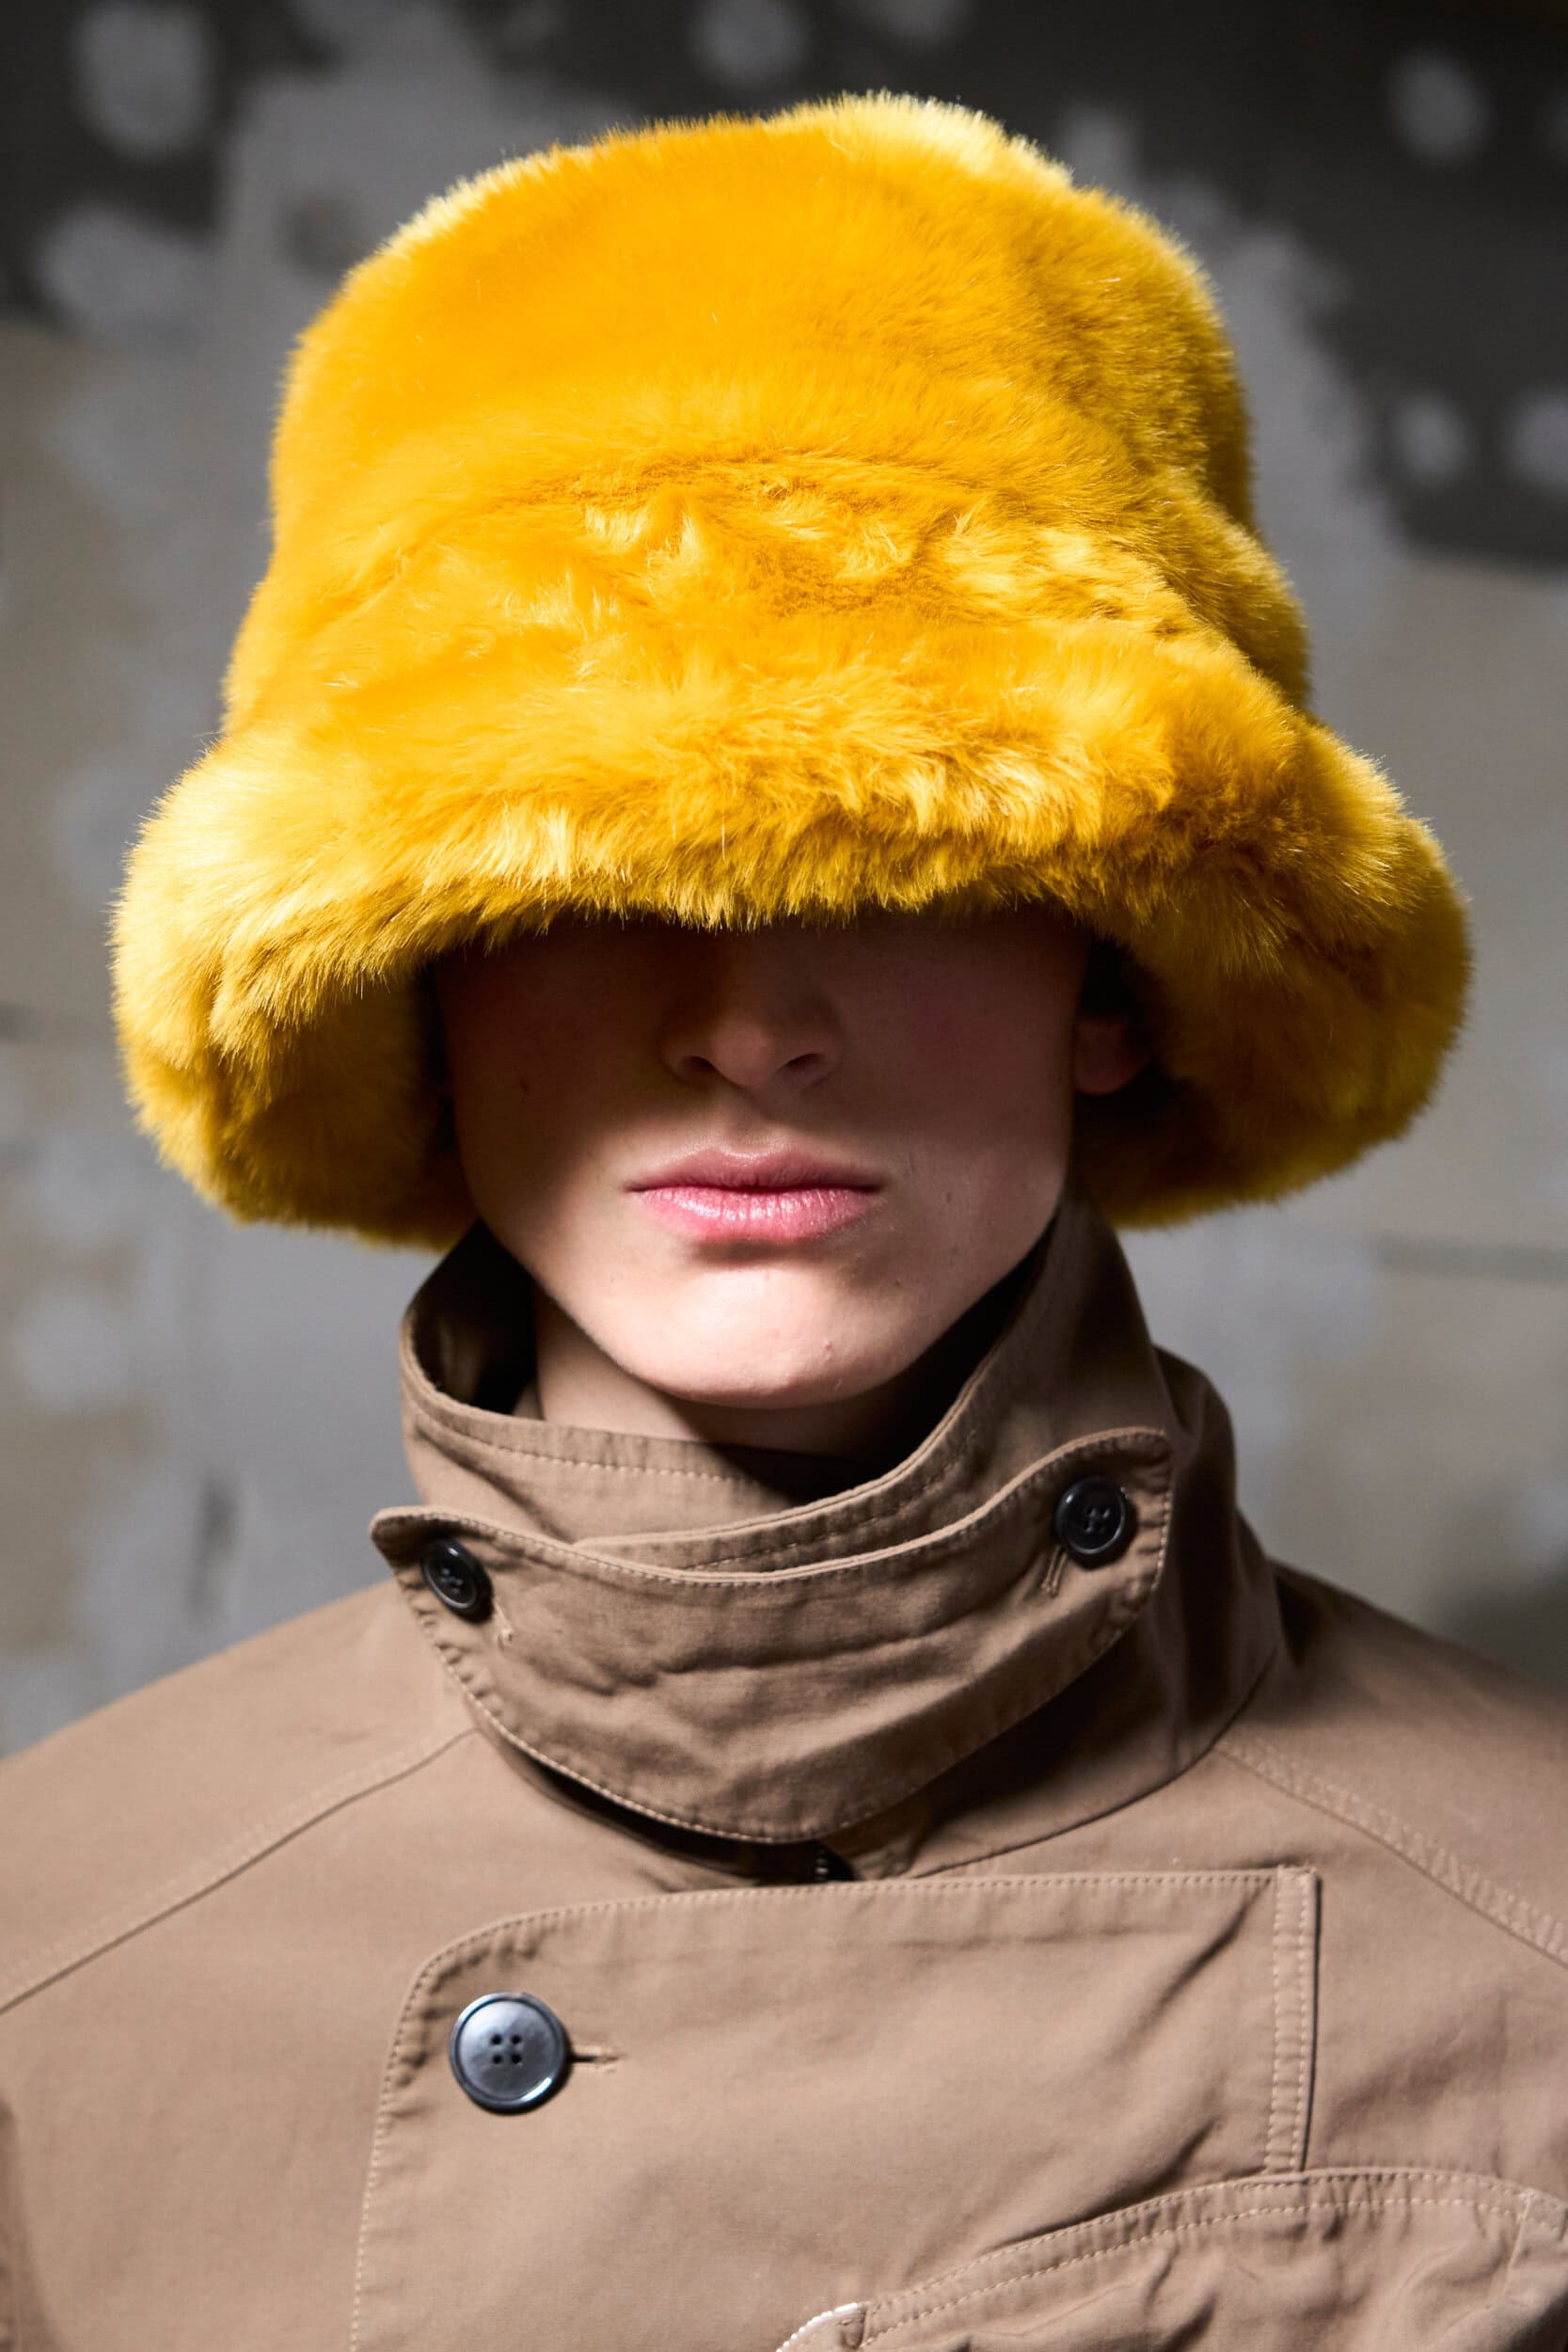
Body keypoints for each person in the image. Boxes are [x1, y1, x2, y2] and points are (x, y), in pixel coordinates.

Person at [2, 90, 1564, 2352]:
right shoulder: (58, 1957)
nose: (746, 1026)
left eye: (901, 864)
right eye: (591, 874)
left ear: (1115, 976)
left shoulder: (1530, 1926)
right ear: (414, 980)